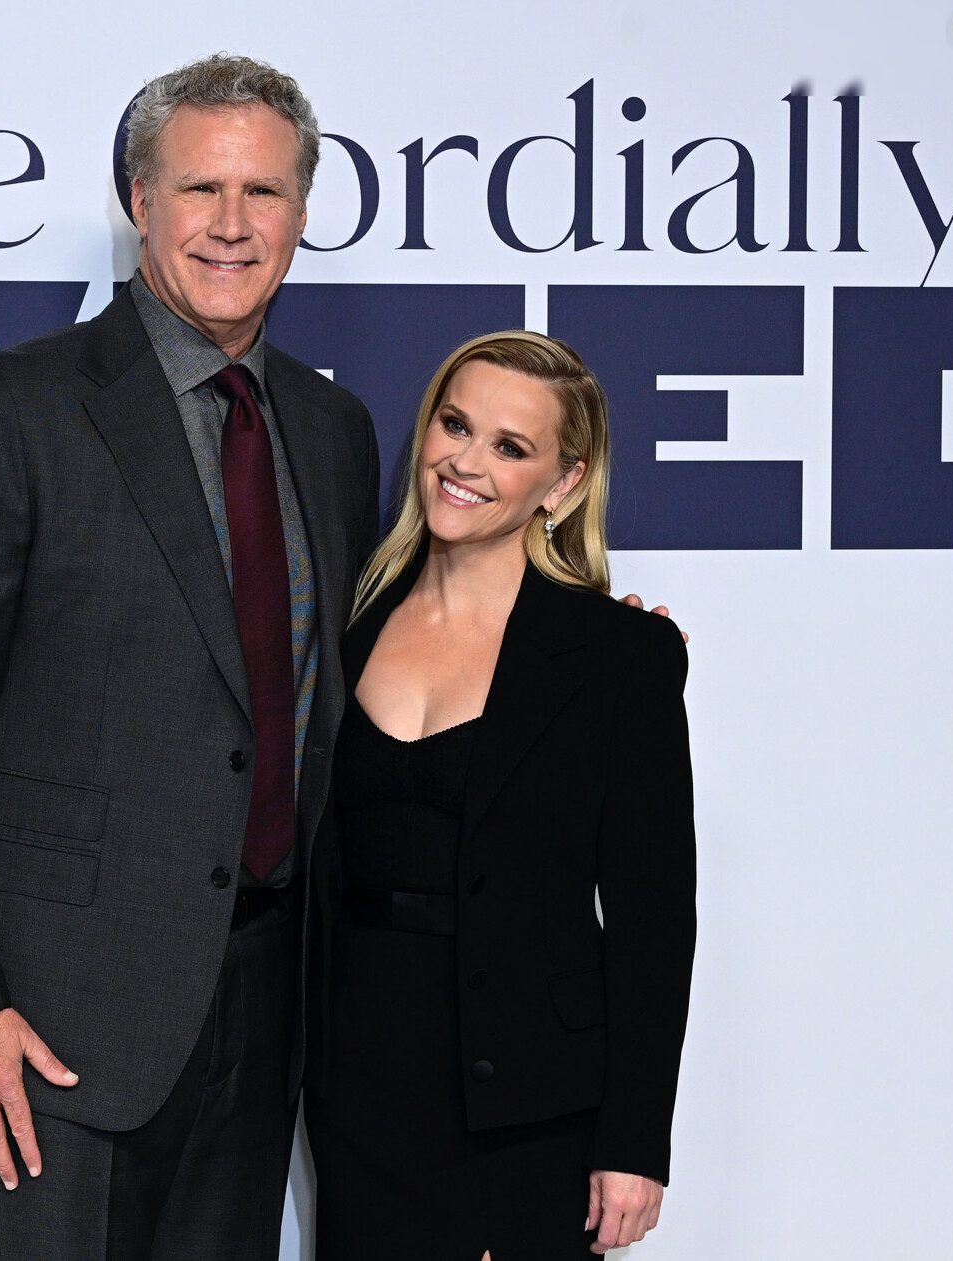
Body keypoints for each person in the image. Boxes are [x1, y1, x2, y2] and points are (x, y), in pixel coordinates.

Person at [0, 54, 378, 1259]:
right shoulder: (16, 409)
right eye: (201, 188)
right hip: (55, 1026)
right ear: (140, 200)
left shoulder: (333, 428)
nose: (232, 224)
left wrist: (590, 635)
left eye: (264, 192)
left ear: (302, 211)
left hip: (270, 1008)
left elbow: (371, 669)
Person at [304, 331, 698, 1259]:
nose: (466, 463)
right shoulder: (346, 618)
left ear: (563, 483)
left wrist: (634, 1141)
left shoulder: (620, 656)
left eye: (510, 446)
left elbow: (652, 919)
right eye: (455, 425)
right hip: (360, 1094)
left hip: (532, 1104)